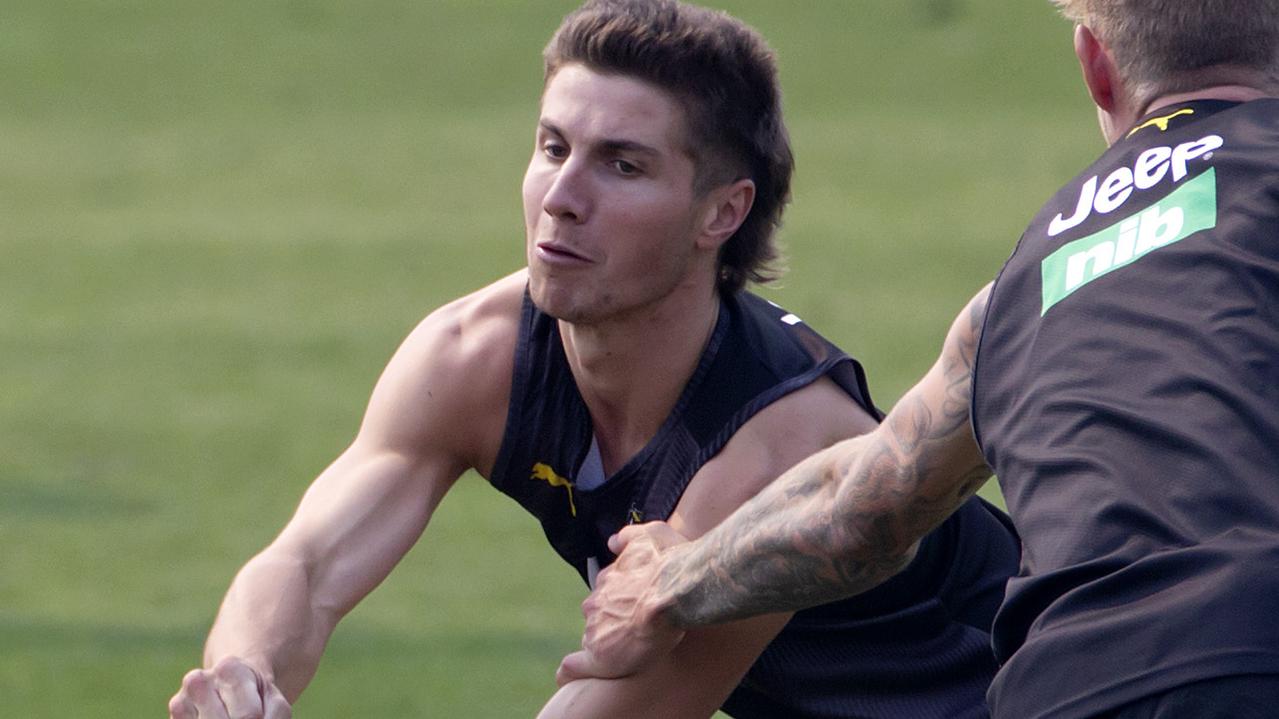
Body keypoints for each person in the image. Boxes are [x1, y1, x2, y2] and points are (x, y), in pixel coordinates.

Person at [166, 1, 1020, 718]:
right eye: (551, 148)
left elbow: (632, 705)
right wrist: (243, 678)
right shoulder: (477, 352)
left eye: (622, 164)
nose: (563, 199)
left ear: (720, 212)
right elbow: (306, 564)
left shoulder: (782, 437)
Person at [562, 1, 1279, 717]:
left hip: (1067, 684)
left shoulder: (1018, 286)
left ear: (1094, 64)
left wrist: (669, 578)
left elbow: (859, 507)